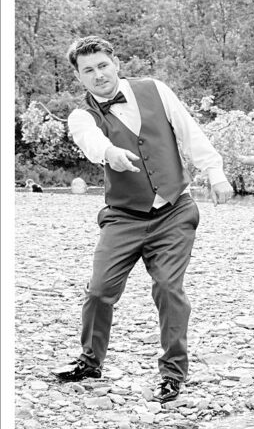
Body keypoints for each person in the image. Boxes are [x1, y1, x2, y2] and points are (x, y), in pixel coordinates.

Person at [51, 36, 234, 403]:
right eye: (88, 71)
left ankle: (172, 374)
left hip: (174, 210)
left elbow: (189, 132)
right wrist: (110, 152)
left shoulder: (155, 90)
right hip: (123, 216)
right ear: (79, 77)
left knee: (168, 288)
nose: (99, 75)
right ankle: (90, 362)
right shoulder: (81, 115)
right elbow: (89, 141)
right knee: (100, 290)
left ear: (115, 63)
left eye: (103, 65)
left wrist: (216, 173)